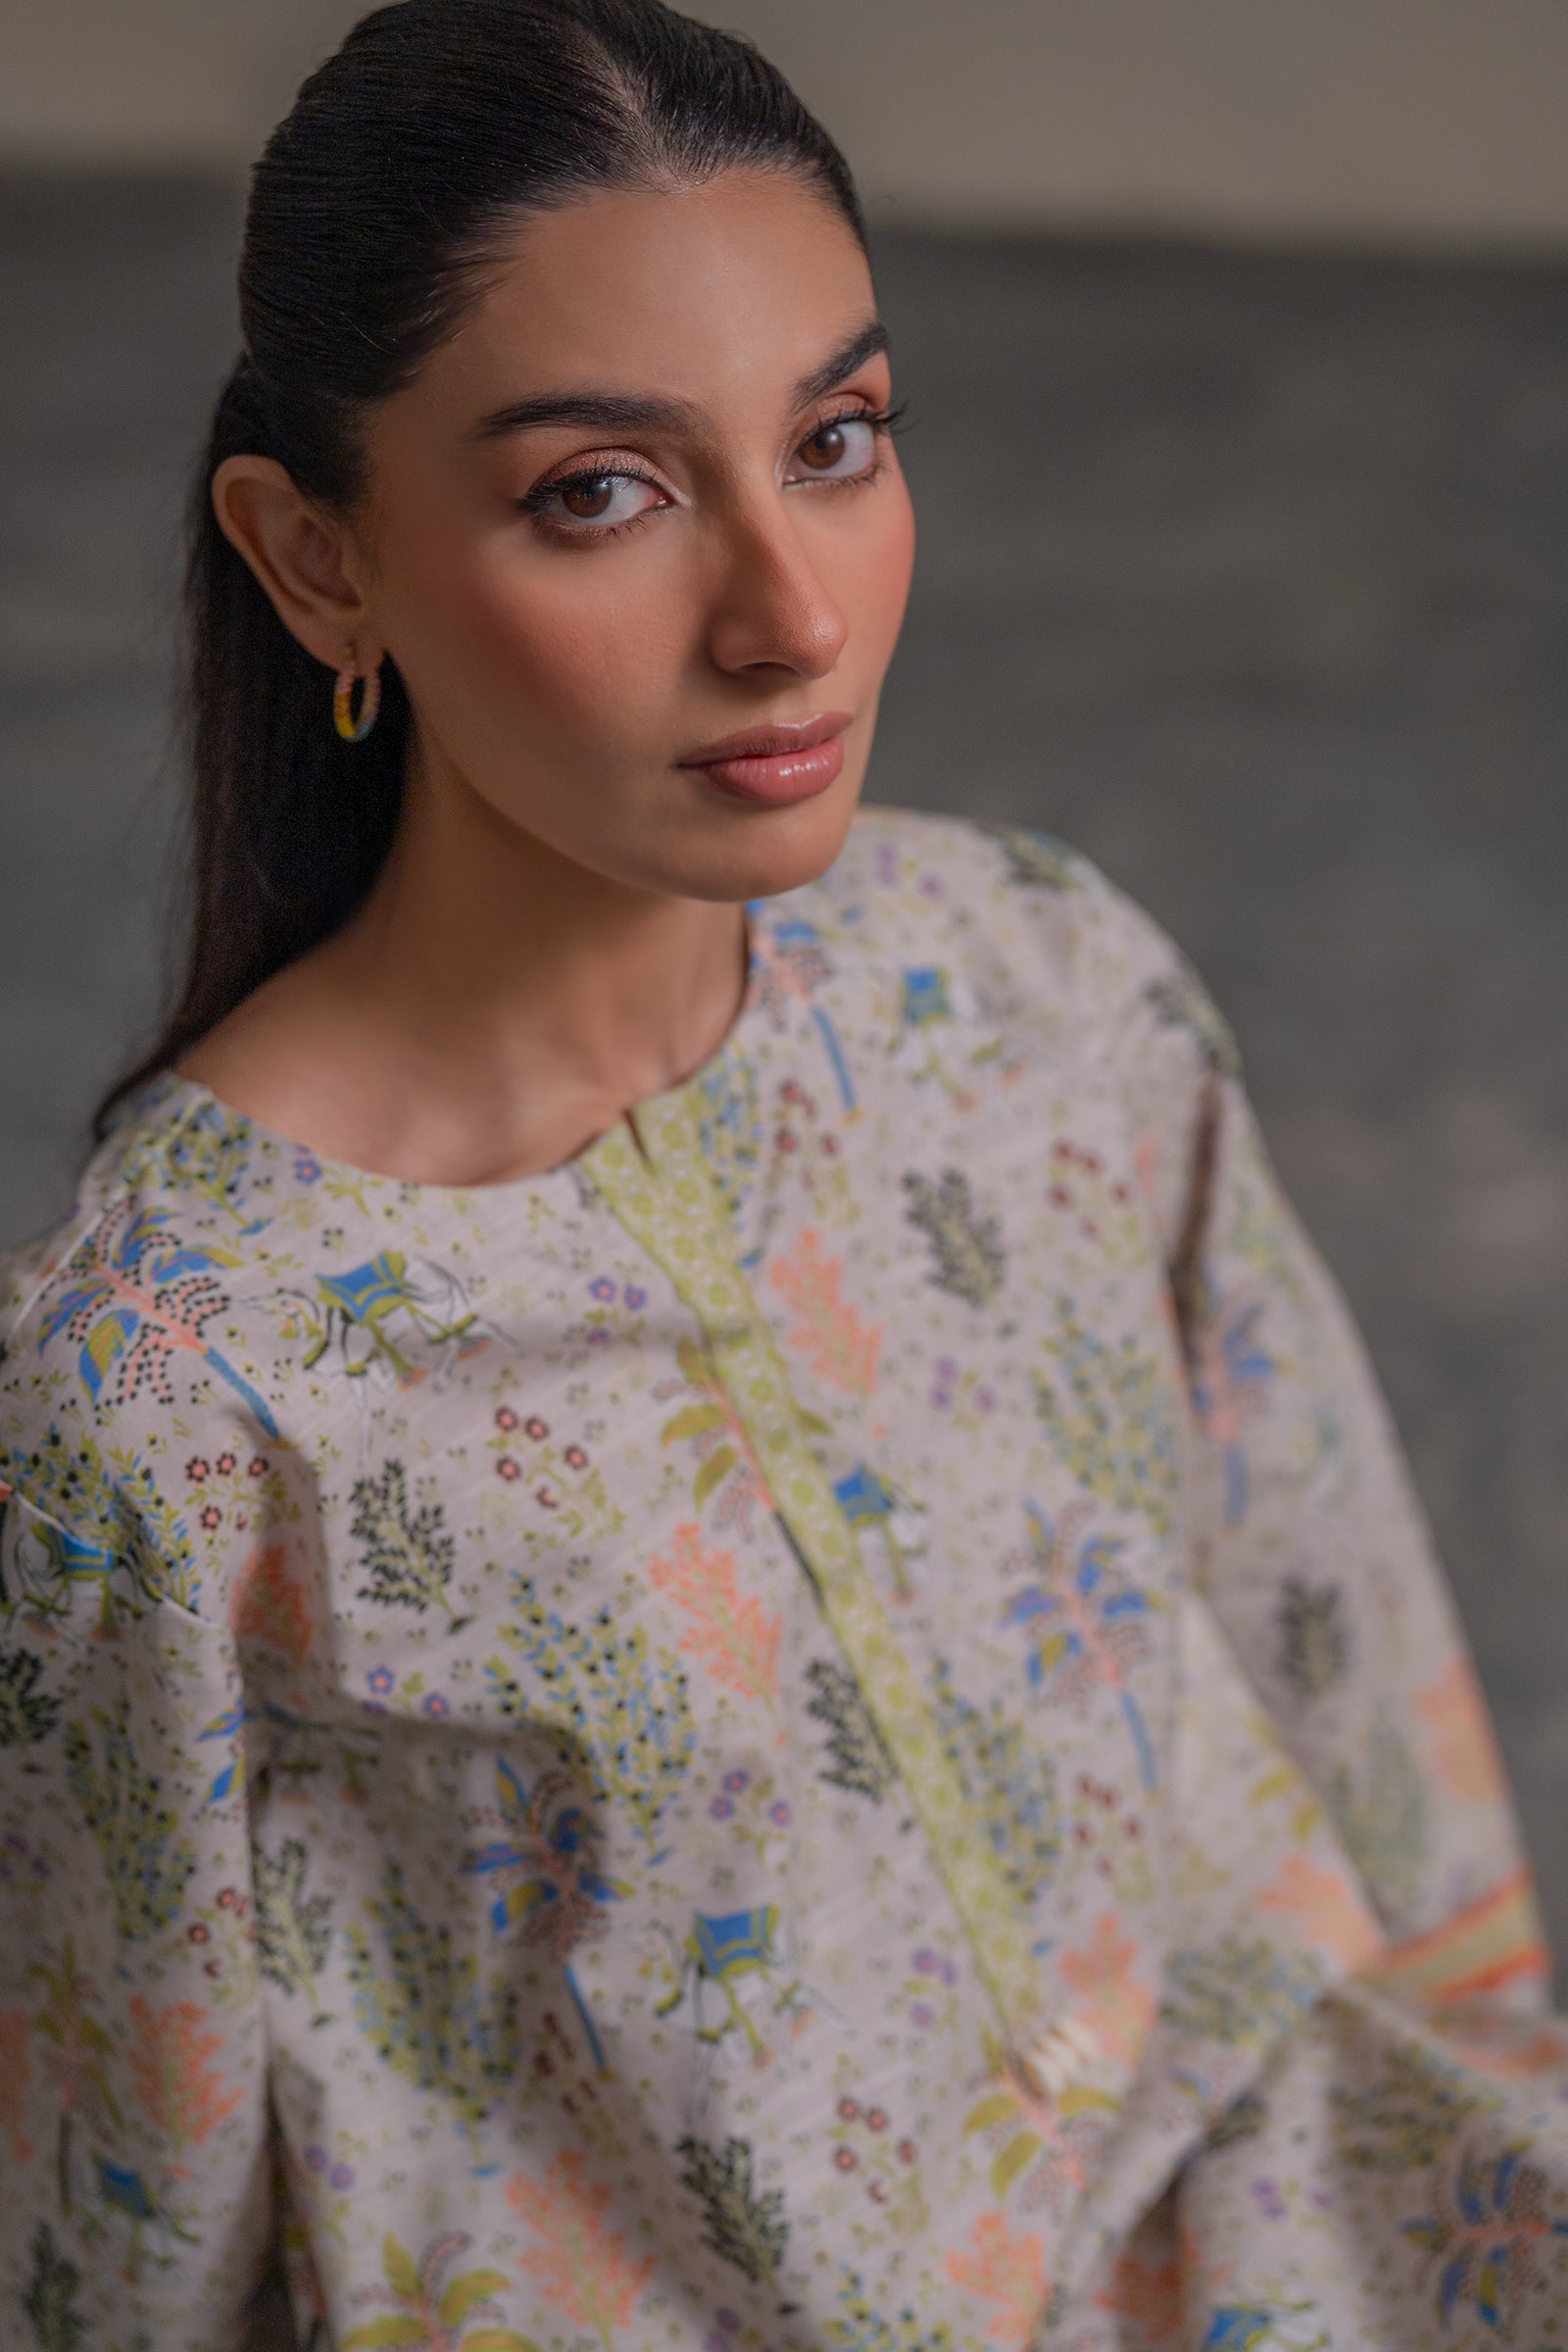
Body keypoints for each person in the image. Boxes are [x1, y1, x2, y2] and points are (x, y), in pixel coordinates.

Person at [1, 2, 1563, 2344]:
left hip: (1309, 2232)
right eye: (599, 493)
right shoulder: (170, 1394)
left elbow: (1345, 1660)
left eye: (832, 443)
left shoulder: (1037, 987)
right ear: (316, 563)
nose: (789, 617)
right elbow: (124, 2205)